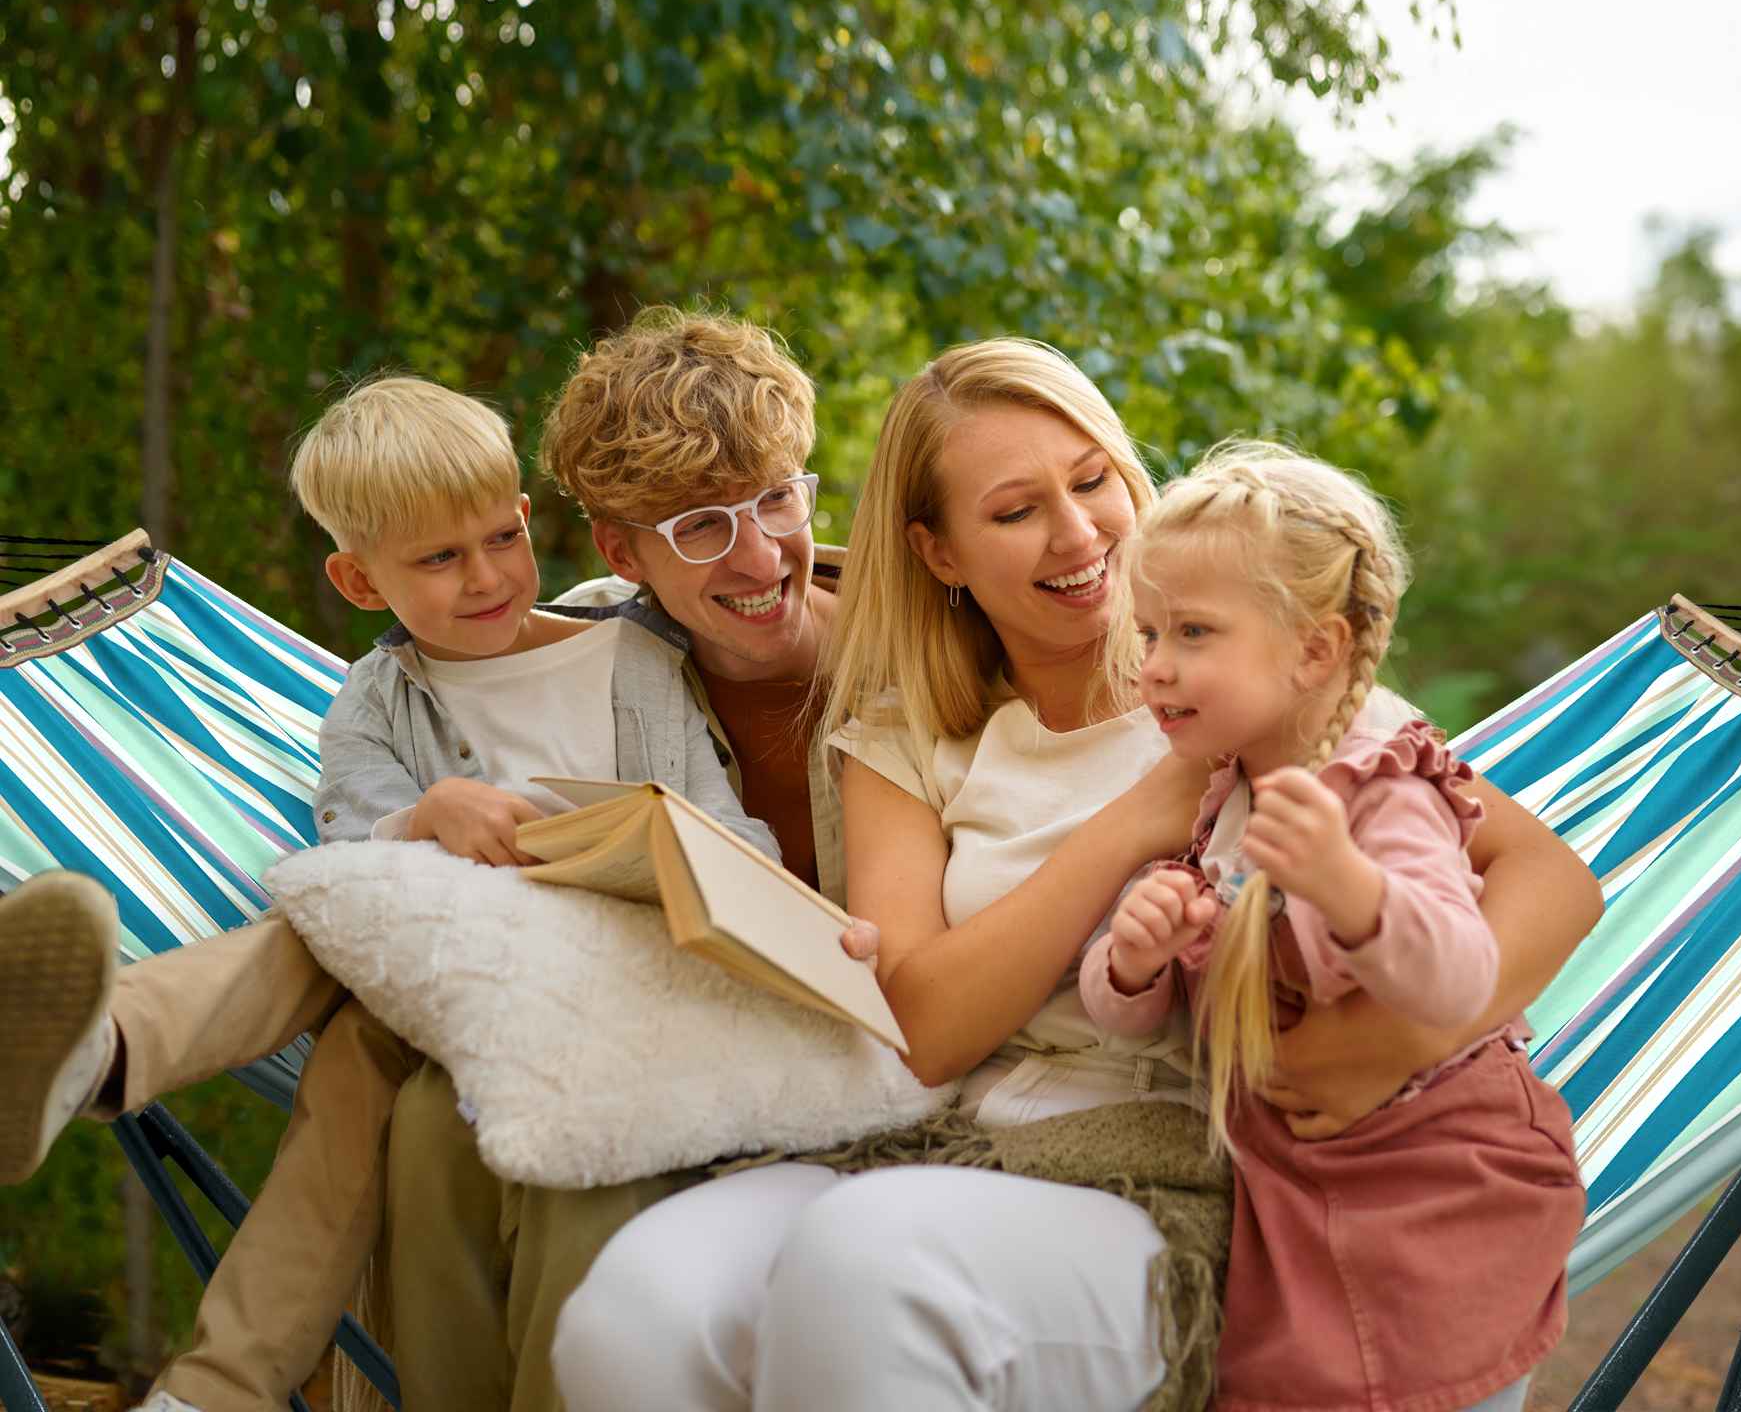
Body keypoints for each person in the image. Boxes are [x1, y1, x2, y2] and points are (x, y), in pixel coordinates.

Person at [552, 338, 1603, 1412]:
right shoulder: (904, 741)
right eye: (1013, 511)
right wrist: (1126, 826)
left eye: (1092, 478)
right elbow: (923, 1023)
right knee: (637, 1309)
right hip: (938, 1137)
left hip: (1169, 1165)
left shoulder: (1246, 682)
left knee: (874, 1262)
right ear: (940, 552)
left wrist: (1398, 1039)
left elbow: (1551, 878)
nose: (1077, 531)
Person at [0, 373, 771, 1412]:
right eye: (438, 558)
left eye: (499, 536)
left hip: (619, 976)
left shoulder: (630, 657)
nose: (485, 574)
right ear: (360, 582)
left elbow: (729, 837)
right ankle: (80, 1064)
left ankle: (106, 1062)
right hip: (446, 986)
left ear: (527, 518)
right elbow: (352, 846)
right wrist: (426, 814)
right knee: (336, 937)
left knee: (340, 1014)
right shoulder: (371, 701)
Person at [374, 309, 856, 1412]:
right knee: (430, 1117)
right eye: (696, 526)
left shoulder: (916, 653)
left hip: (830, 1051)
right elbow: (418, 703)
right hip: (637, 1005)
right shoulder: (581, 650)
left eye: (774, 497)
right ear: (619, 550)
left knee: (581, 1155)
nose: (754, 554)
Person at [1079, 441, 1584, 1412]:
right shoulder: (1229, 784)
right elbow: (1131, 1012)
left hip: (1435, 1182)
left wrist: (1350, 890)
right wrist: (1132, 961)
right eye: (1146, 633)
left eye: (1190, 631)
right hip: (1302, 1185)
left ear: (1313, 648)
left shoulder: (1381, 789)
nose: (1153, 667)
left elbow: (1455, 978)